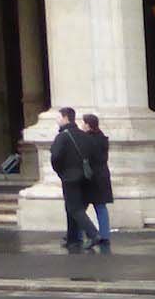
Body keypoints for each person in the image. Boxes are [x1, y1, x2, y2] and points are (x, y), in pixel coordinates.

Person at [47, 107, 99, 252]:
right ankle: (72, 238)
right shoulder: (84, 136)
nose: (57, 120)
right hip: (85, 176)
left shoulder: (62, 136)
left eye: (58, 117)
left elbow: (55, 157)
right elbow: (93, 155)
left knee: (74, 208)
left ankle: (93, 234)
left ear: (65, 118)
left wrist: (61, 172)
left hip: (69, 177)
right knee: (72, 207)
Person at [79, 113, 113, 250]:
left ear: (87, 125)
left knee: (79, 209)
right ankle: (105, 235)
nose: (82, 125)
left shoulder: (87, 140)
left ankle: (79, 234)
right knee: (100, 207)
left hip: (90, 177)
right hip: (102, 176)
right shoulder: (103, 138)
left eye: (83, 123)